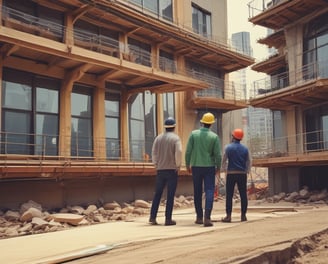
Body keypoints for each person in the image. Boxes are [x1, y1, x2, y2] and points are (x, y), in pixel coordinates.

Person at [185, 112, 222, 227]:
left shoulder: (193, 134)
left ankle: (199, 217)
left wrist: (187, 165)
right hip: (209, 167)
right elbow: (218, 155)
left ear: (202, 122)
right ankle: (207, 217)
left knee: (197, 191)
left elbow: (188, 151)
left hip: (196, 166)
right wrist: (218, 167)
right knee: (209, 191)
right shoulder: (214, 137)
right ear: (211, 124)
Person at [149, 117, 182, 226]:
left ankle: (152, 217)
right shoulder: (176, 139)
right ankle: (168, 219)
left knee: (157, 194)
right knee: (170, 195)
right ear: (174, 126)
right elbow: (179, 152)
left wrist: (156, 164)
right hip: (172, 170)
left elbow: (153, 152)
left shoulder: (158, 138)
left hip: (160, 170)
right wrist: (178, 165)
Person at [221, 128, 251, 223]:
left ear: (233, 137)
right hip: (242, 174)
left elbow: (224, 160)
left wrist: (224, 169)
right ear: (241, 138)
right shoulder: (245, 149)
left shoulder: (228, 147)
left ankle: (228, 216)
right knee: (243, 195)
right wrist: (247, 170)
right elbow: (249, 161)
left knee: (229, 195)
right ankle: (243, 215)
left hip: (231, 173)